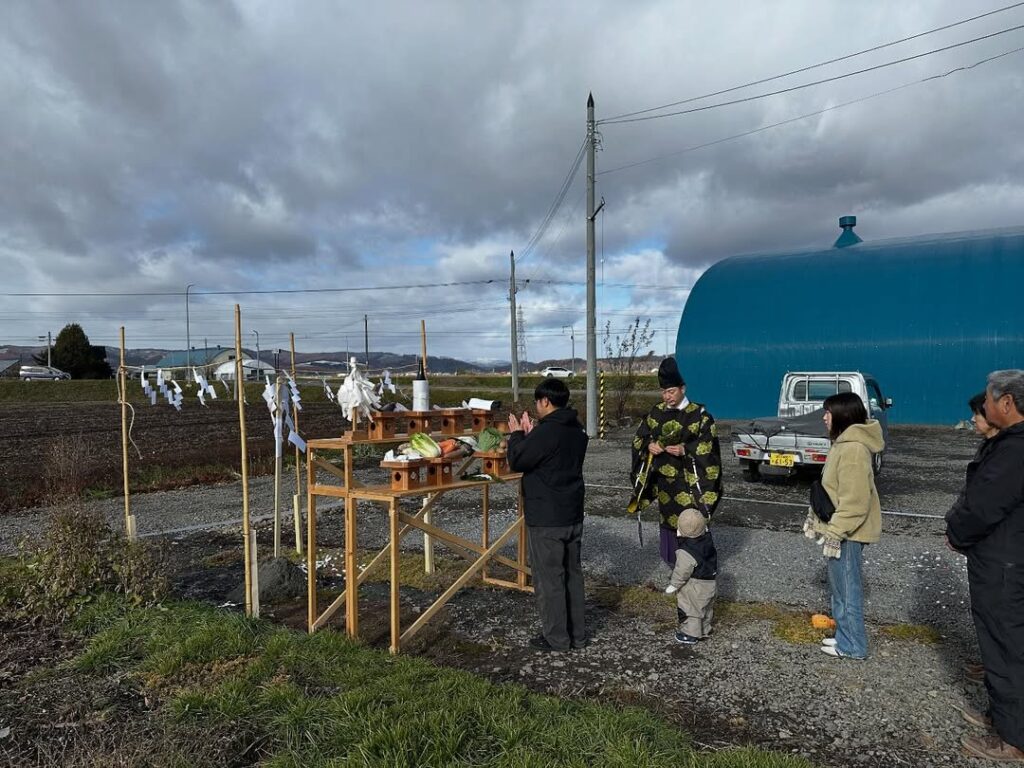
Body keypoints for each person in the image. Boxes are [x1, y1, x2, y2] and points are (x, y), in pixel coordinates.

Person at [946, 370, 1024, 762]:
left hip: (1005, 564)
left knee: (1006, 644)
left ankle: (1014, 739)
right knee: (1001, 642)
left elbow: (983, 505)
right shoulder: (1009, 444)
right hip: (1003, 557)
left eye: (990, 400)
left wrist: (956, 533)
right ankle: (1002, 716)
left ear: (1007, 403)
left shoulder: (1015, 450)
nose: (985, 407)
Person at [507, 377, 589, 652]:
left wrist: (518, 434)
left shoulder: (547, 432)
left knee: (549, 579)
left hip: (547, 517)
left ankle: (556, 638)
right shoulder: (577, 431)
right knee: (572, 576)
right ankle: (578, 636)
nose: (537, 407)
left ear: (545, 401)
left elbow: (518, 460)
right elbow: (548, 459)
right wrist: (532, 437)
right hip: (572, 513)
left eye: (537, 402)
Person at [805, 391, 884, 661]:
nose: (824, 417)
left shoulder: (852, 449)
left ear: (843, 416)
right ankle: (844, 637)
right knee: (839, 589)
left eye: (828, 412)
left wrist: (835, 533)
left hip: (849, 534)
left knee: (848, 590)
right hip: (842, 531)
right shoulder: (843, 443)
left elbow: (855, 502)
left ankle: (853, 646)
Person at [629, 357, 722, 566]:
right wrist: (648, 446)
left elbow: (710, 449)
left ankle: (698, 570)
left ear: (683, 388)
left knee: (691, 525)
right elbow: (639, 438)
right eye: (664, 392)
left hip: (690, 483)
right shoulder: (656, 413)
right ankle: (675, 570)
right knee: (668, 528)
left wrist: (685, 450)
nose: (667, 397)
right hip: (665, 485)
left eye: (671, 391)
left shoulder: (700, 416)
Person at [947, 392, 1000, 684]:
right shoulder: (991, 448)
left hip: (999, 552)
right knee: (987, 612)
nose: (972, 420)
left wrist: (959, 533)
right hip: (986, 549)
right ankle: (991, 664)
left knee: (999, 615)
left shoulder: (1007, 453)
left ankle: (999, 672)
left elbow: (986, 505)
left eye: (977, 414)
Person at [665, 508, 717, 645]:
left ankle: (690, 634)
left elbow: (682, 571)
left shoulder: (685, 552)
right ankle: (705, 629)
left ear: (679, 530)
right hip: (710, 581)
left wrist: (674, 584)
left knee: (691, 609)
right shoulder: (708, 540)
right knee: (705, 607)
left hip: (694, 586)